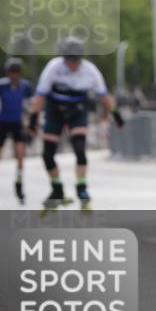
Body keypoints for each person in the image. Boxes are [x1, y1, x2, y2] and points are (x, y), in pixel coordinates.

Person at [28, 37, 125, 210]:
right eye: (68, 61)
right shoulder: (54, 68)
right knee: (47, 154)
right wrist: (33, 118)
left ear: (81, 58)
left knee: (80, 149)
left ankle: (81, 187)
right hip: (55, 109)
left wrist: (116, 115)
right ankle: (57, 189)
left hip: (77, 109)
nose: (72, 65)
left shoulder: (90, 71)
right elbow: (41, 95)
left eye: (75, 61)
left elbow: (104, 95)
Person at [0, 57, 34, 203]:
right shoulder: (0, 85)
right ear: (8, 73)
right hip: (3, 123)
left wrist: (32, 124)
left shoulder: (26, 86)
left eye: (16, 72)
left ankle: (19, 183)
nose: (14, 75)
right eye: (11, 72)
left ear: (20, 72)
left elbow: (31, 105)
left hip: (17, 123)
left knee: (21, 155)